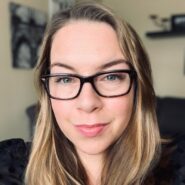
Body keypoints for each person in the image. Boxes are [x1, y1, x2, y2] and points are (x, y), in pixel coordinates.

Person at [0, 1, 184, 185]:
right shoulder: (8, 166)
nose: (87, 103)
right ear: (47, 90)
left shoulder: (177, 169)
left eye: (111, 77)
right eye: (65, 78)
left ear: (139, 86)